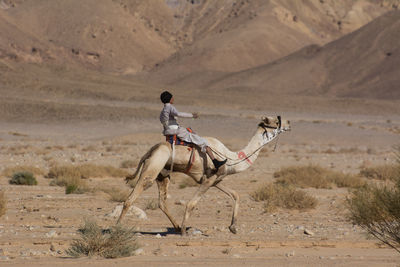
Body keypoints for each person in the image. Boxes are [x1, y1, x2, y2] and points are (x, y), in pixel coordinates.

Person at [159, 91, 227, 170]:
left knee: (189, 130)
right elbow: (178, 114)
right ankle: (215, 162)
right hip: (177, 131)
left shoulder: (163, 111)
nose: (173, 99)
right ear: (170, 99)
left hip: (168, 132)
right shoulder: (169, 107)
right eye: (172, 97)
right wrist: (192, 115)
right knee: (203, 141)